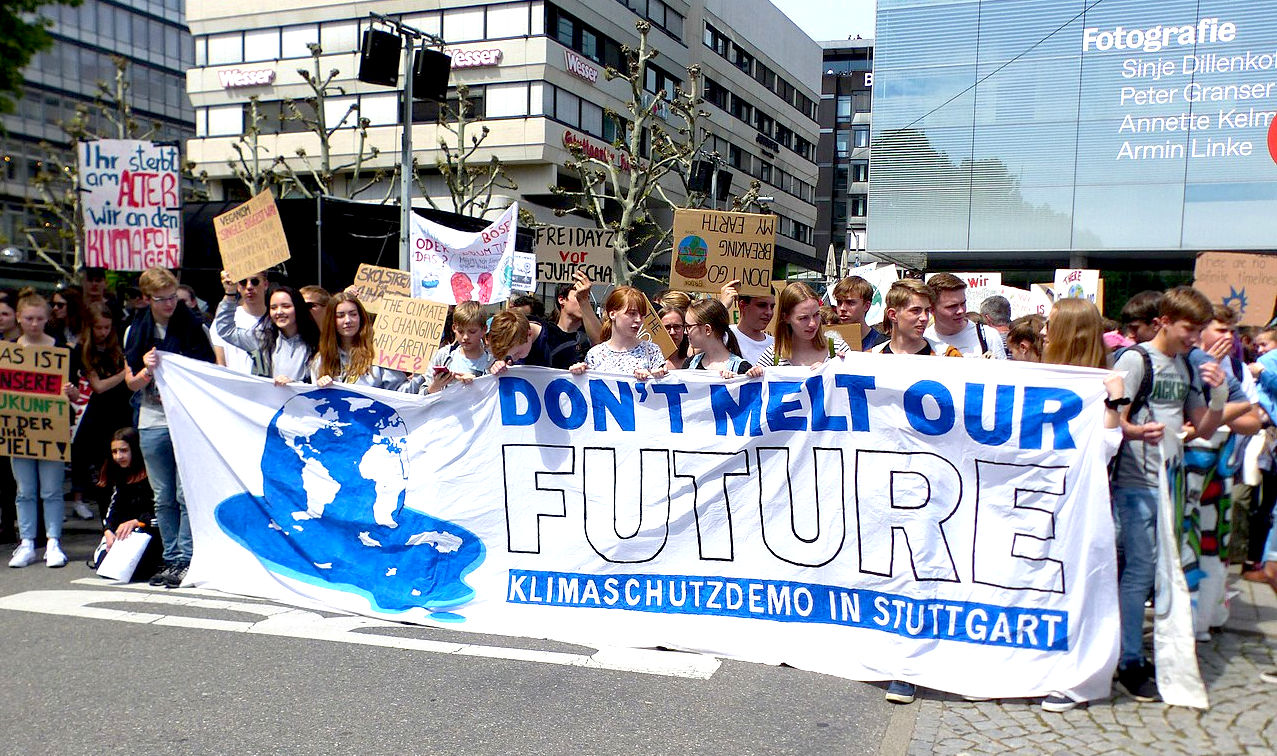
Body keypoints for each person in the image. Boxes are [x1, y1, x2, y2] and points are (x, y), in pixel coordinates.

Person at [1109, 286, 1229, 702]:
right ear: (1163, 321)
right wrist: (1134, 430)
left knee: (1158, 570)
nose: (1194, 338)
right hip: (1135, 482)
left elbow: (1206, 427)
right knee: (1141, 570)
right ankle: (1128, 660)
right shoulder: (1136, 359)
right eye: (1188, 329)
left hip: (1170, 484)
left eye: (1198, 331)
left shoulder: (1187, 365)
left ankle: (1135, 651)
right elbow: (1111, 419)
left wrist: (1218, 395)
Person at [1032, 297, 1129, 712]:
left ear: (1070, 333)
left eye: (1050, 325)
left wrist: (1115, 404)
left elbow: (1106, 447)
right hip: (1036, 504)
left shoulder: (1105, 385)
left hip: (1079, 507)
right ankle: (1035, 666)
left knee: (1077, 588)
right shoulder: (1035, 376)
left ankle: (1073, 677)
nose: (1041, 333)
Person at [123, 267, 217, 589]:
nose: (169, 305)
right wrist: (147, 371)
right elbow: (130, 383)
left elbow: (208, 372)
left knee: (184, 491)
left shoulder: (194, 327)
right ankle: (171, 555)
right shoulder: (135, 331)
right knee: (162, 495)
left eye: (173, 297)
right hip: (151, 419)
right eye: (162, 299)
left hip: (185, 418)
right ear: (148, 299)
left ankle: (187, 557)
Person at [8, 290, 81, 568]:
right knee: (24, 490)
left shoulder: (62, 350)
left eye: (40, 318)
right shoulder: (9, 351)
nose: (34, 324)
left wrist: (71, 392)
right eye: (29, 318)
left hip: (52, 429)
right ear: (19, 318)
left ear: (47, 319)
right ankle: (27, 542)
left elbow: (74, 396)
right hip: (20, 430)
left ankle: (53, 541)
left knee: (51, 490)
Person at [71, 302, 134, 520]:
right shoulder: (83, 349)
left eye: (107, 327)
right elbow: (98, 386)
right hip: (100, 414)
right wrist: (124, 374)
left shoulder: (117, 345)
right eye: (99, 328)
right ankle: (106, 518)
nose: (103, 332)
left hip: (122, 410)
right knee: (103, 470)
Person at [215, 274, 320, 384]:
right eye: (273, 308)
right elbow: (225, 330)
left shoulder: (317, 343)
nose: (279, 312)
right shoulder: (262, 339)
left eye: (286, 306)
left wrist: (294, 385)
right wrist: (230, 294)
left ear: (298, 308)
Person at [91, 427, 162, 579]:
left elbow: (164, 515)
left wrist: (139, 522)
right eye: (115, 452)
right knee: (105, 563)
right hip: (125, 533)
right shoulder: (118, 474)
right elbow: (113, 508)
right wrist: (108, 530)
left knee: (138, 568)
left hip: (151, 531)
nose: (118, 456)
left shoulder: (155, 476)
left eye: (124, 450)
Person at [311, 292, 406, 390]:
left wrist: (420, 377)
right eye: (340, 316)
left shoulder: (379, 353)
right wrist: (320, 389)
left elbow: (401, 393)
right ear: (331, 321)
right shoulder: (321, 360)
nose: (348, 320)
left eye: (353, 314)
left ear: (361, 317)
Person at [750, 282, 851, 371]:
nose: (813, 324)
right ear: (786, 317)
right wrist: (752, 375)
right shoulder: (771, 356)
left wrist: (841, 370)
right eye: (803, 318)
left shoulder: (838, 348)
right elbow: (752, 389)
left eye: (816, 315)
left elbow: (856, 386)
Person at [574, 286, 666, 380]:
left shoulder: (651, 351)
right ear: (613, 314)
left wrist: (654, 377)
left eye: (642, 315)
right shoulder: (595, 354)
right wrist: (578, 375)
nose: (638, 320)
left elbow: (663, 389)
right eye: (632, 313)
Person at [923, 273, 1006, 358]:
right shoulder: (924, 340)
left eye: (963, 304)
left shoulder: (988, 336)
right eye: (952, 306)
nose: (961, 311)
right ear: (932, 309)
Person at [870, 279, 961, 357]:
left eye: (927, 310)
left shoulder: (948, 355)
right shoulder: (871, 357)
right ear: (893, 315)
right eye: (915, 310)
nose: (924, 318)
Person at [421, 301, 493, 394]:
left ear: (484, 329)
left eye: (472, 332)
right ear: (454, 328)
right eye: (461, 331)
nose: (466, 337)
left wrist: (477, 384)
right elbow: (422, 397)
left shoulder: (491, 362)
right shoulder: (443, 356)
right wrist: (436, 385)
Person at [212, 270, 269, 374]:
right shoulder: (224, 321)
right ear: (238, 286)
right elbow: (220, 363)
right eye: (243, 282)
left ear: (265, 285)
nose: (249, 287)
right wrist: (229, 292)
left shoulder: (275, 321)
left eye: (255, 281)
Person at [683, 299, 751, 377]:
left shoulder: (742, 369)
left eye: (688, 327)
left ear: (707, 329)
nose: (685, 332)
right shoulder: (689, 364)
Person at [721, 279, 776, 366]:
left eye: (772, 307)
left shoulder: (775, 346)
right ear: (742, 306)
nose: (769, 312)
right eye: (761, 305)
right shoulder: (723, 336)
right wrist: (722, 307)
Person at [553, 271, 603, 361]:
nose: (584, 300)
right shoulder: (547, 334)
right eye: (579, 296)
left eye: (587, 296)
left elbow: (601, 345)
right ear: (561, 299)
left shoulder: (588, 337)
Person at [0, 290, 17, 543]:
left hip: (19, 419)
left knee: (12, 478)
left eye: (4, 313)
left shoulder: (24, 346)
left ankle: (9, 524)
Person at [831, 275, 888, 351]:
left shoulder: (881, 344)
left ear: (866, 306)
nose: (842, 308)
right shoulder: (829, 341)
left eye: (850, 303)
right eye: (839, 302)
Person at [486, 310, 535, 375]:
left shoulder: (551, 349)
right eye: (509, 355)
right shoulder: (514, 342)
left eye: (517, 353)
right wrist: (496, 366)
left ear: (529, 334)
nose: (514, 359)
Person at [658, 305, 690, 371]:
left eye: (677, 327)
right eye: (667, 327)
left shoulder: (694, 361)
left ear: (684, 328)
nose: (672, 332)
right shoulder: (649, 360)